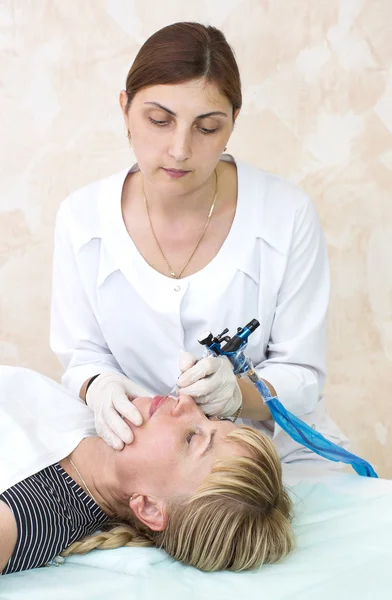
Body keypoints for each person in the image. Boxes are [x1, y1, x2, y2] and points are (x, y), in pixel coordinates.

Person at [50, 22, 347, 462]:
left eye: (206, 128)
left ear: (232, 125)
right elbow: (84, 355)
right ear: (125, 110)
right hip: (147, 462)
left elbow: (301, 371)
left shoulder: (286, 215)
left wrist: (239, 394)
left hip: (278, 457)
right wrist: (99, 386)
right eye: (158, 121)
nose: (179, 149)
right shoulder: (82, 218)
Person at [0, 366, 293, 575]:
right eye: (209, 416)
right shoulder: (95, 422)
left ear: (150, 508)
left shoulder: (27, 514)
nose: (186, 401)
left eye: (193, 437)